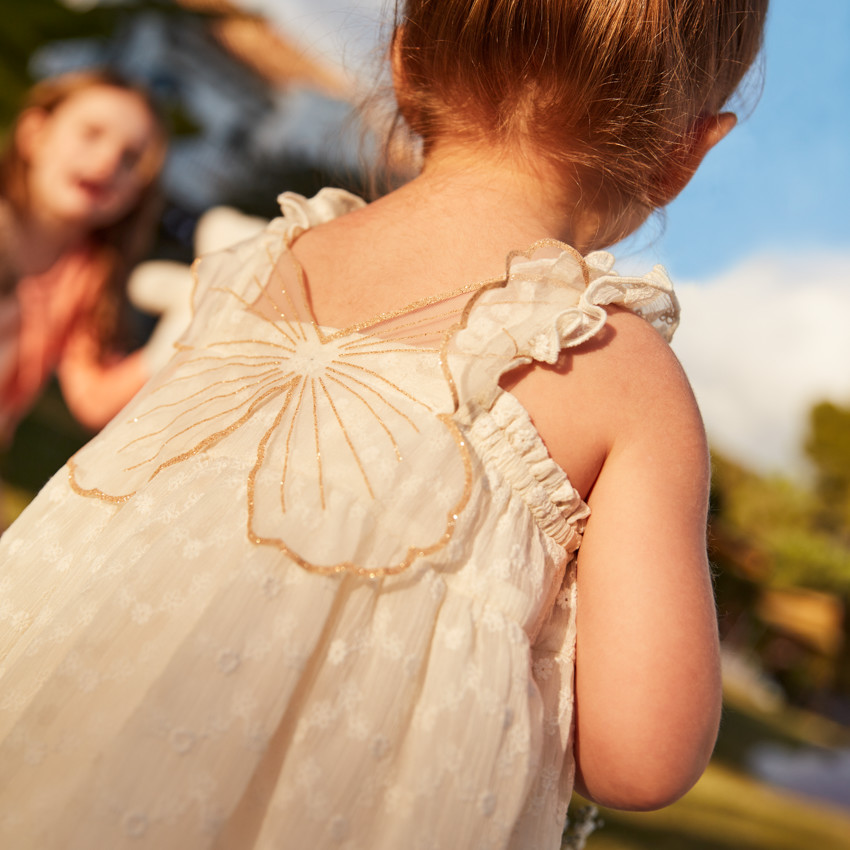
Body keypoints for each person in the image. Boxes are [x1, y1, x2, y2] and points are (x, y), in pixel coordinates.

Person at [0, 2, 768, 848]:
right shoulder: (617, 374)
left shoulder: (257, 268)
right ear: (688, 154)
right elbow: (642, 759)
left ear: (403, 61)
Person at [0, 70, 168, 442]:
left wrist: (168, 348)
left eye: (131, 159)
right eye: (91, 134)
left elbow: (91, 398)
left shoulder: (88, 275)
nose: (108, 161)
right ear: (34, 134)